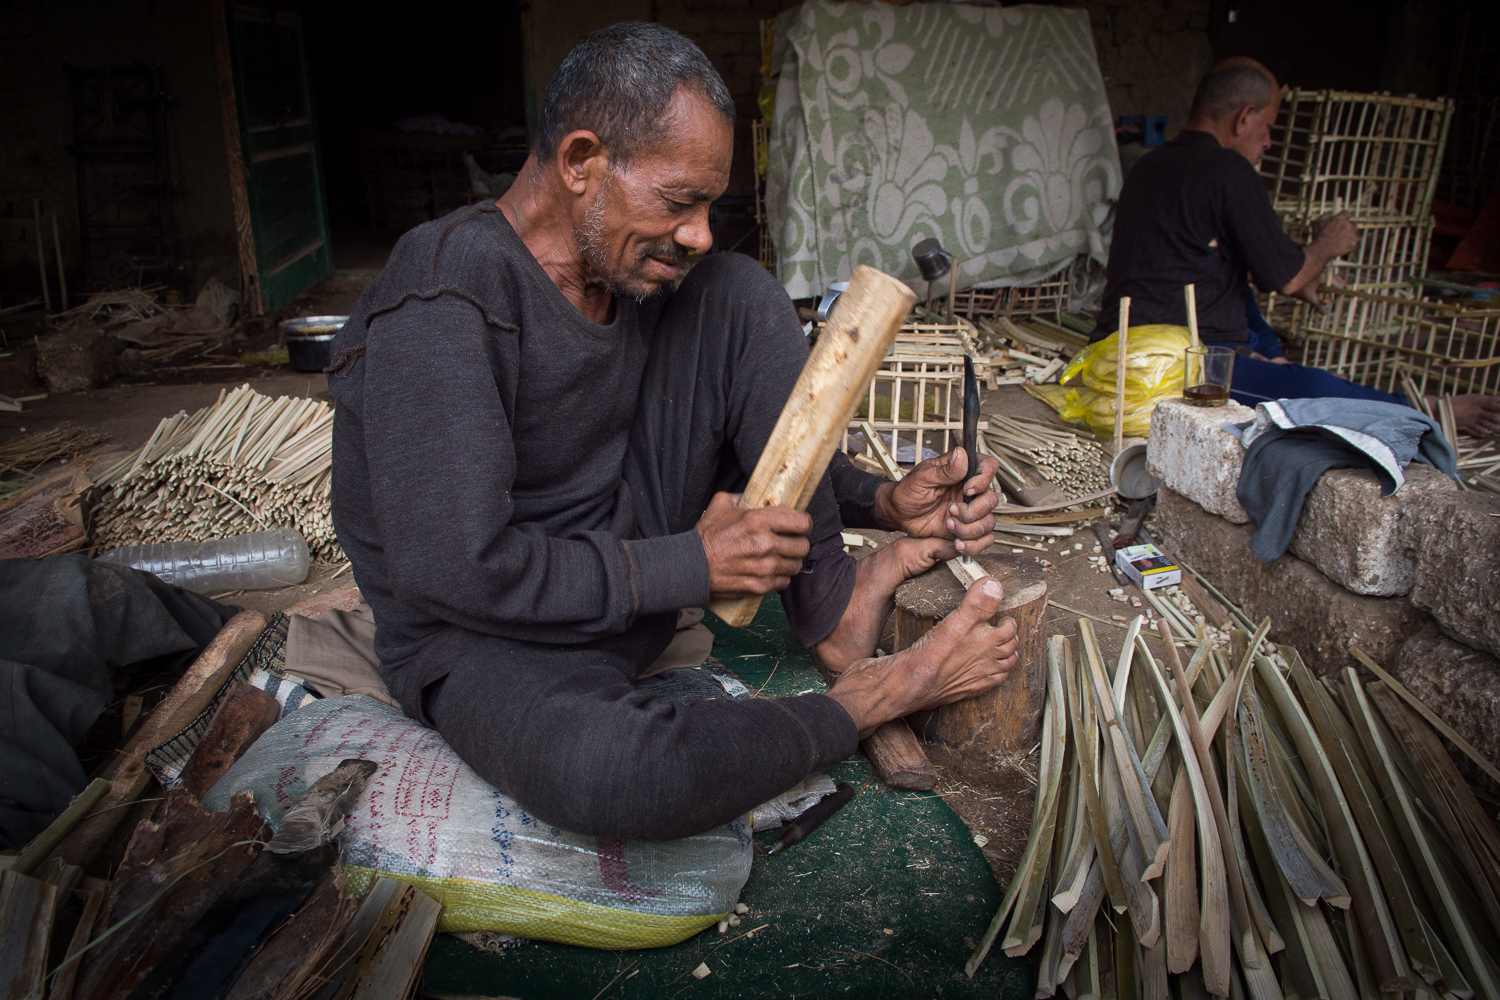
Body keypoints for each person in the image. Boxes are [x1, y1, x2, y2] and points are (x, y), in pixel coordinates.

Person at [326, 22, 1020, 842]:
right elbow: (456, 572)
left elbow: (730, 433)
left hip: (628, 580)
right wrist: (690, 564)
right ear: (582, 161)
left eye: (708, 205)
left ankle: (832, 607)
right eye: (678, 201)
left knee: (738, 292)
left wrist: (881, 500)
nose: (696, 232)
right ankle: (872, 694)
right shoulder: (446, 295)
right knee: (618, 777)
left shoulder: (624, 274)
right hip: (491, 643)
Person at [1092, 58, 1500, 437]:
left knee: (1243, 300)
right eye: (1268, 125)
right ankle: (1423, 410)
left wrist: (1266, 343)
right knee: (1312, 388)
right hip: (1171, 364)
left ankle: (1270, 362)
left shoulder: (1149, 164)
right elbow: (1285, 277)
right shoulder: (1230, 171)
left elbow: (1242, 272)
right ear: (1244, 117)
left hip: (1121, 342)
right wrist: (1328, 243)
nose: (1268, 141)